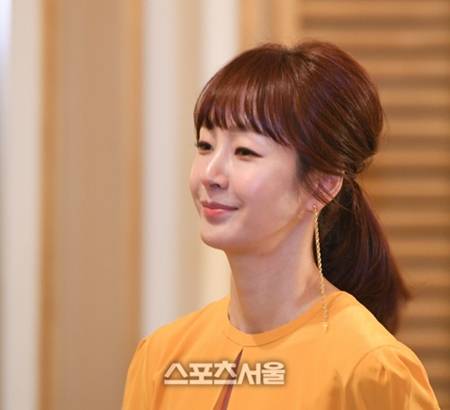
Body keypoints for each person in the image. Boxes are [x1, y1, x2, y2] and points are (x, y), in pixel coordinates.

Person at [122, 40, 441, 409]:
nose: (210, 174)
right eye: (205, 146)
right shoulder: (162, 357)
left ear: (322, 185)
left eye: (245, 152)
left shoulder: (369, 368)